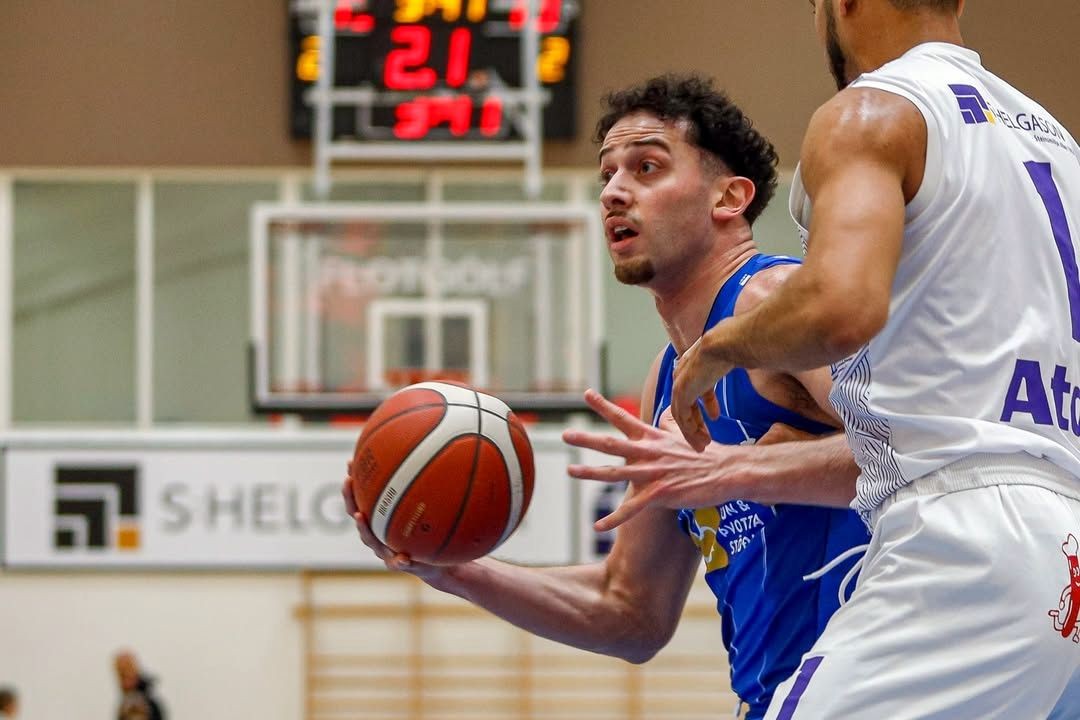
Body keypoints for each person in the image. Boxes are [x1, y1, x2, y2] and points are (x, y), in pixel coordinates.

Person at [343, 73, 869, 719]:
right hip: (780, 700)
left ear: (729, 197)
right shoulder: (666, 381)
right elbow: (629, 611)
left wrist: (738, 470)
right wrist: (448, 568)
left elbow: (922, 454)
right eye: (607, 175)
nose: (614, 192)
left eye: (646, 167)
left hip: (876, 689)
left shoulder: (774, 300)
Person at [658, 1, 1080, 717]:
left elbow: (840, 305)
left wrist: (717, 347)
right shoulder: (1056, 141)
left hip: (966, 538)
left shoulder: (871, 112)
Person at [115, 651, 166, 720]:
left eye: (125, 674)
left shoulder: (137, 704)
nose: (122, 681)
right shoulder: (128, 701)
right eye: (120, 675)